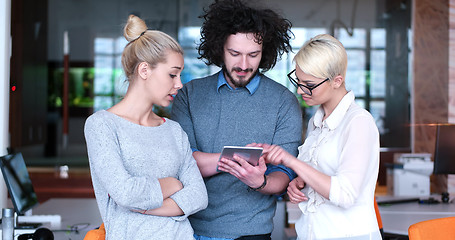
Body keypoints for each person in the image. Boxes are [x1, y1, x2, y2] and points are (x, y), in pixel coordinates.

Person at [170, 0, 303, 239]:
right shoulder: (189, 95)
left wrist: (259, 182)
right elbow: (181, 164)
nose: (243, 65)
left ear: (265, 52)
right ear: (219, 48)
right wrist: (235, 159)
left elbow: (283, 175)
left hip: (250, 233)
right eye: (235, 54)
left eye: (253, 55)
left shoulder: (284, 101)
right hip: (187, 230)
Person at [84, 15, 208, 240]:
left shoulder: (173, 130)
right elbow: (126, 193)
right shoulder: (101, 125)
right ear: (144, 70)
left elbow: (199, 196)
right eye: (172, 74)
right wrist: (174, 184)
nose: (179, 83)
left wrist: (147, 207)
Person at [255, 34, 382, 239]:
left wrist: (291, 162)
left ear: (337, 81)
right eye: (298, 80)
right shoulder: (318, 121)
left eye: (309, 84)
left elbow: (345, 194)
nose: (299, 89)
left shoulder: (358, 122)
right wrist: (300, 182)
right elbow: (320, 174)